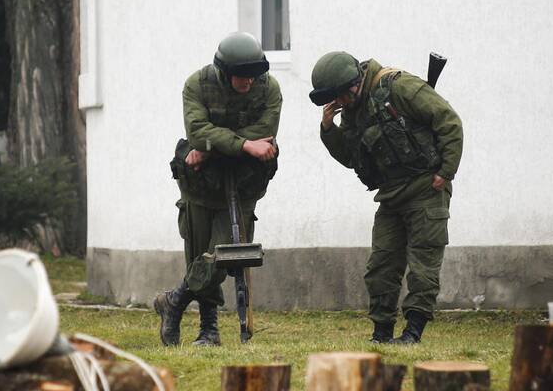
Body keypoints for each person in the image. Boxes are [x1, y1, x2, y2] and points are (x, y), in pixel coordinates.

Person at [309, 51, 463, 345]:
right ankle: (381, 332)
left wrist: (446, 171)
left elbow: (448, 121)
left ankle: (412, 332)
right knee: (381, 265)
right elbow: (352, 157)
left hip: (425, 188)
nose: (339, 102)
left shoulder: (399, 87)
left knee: (423, 263)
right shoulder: (353, 110)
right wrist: (328, 130)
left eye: (340, 96)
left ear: (353, 84)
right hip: (391, 194)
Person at [156, 32, 282, 347]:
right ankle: (208, 331)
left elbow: (265, 133)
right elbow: (197, 131)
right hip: (200, 185)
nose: (250, 82)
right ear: (225, 73)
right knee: (199, 254)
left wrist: (215, 146)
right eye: (243, 76)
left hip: (242, 185)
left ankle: (175, 300)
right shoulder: (197, 85)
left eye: (255, 75)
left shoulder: (269, 88)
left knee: (224, 255)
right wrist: (242, 145)